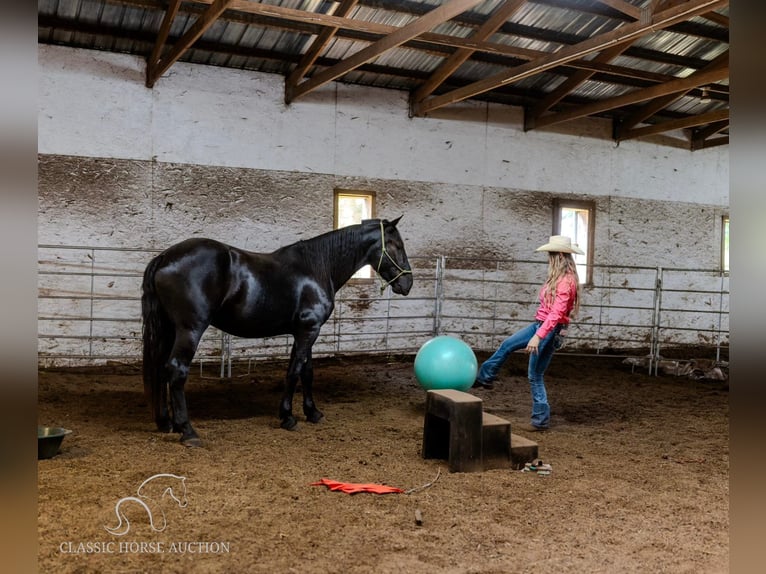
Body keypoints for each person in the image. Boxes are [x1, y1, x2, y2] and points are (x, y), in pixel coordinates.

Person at [473, 235, 583, 432]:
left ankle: (541, 420)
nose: (548, 258)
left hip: (549, 329)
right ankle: (485, 377)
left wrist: (538, 336)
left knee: (535, 375)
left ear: (558, 255)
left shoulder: (566, 281)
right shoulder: (558, 278)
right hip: (541, 325)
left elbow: (556, 314)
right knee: (508, 344)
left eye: (550, 254)